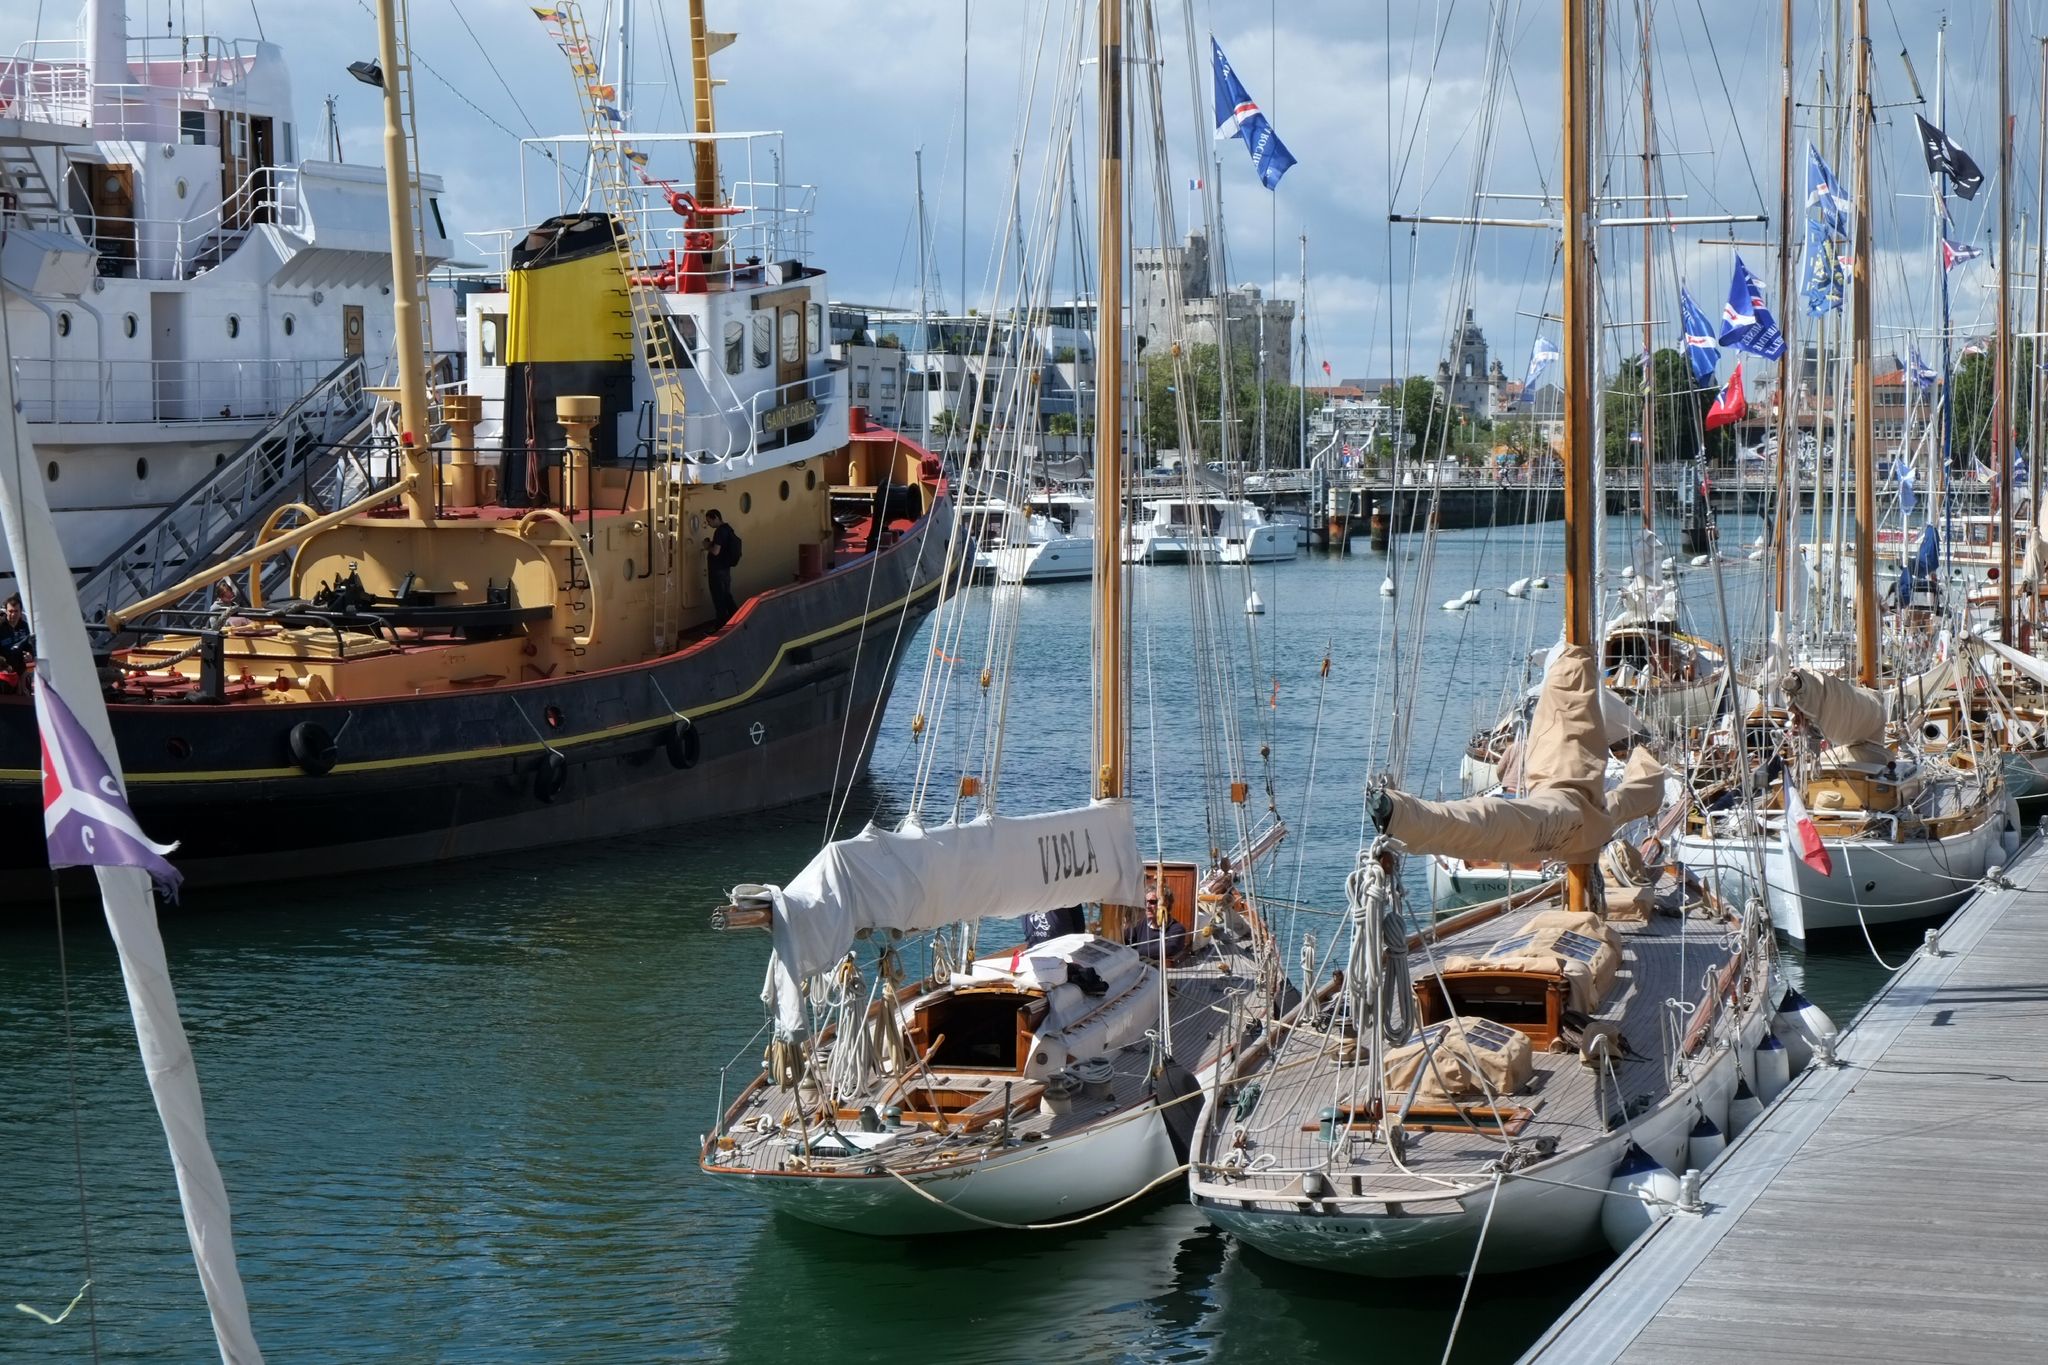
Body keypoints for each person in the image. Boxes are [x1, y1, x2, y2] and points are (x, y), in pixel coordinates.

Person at [703, 508, 742, 627]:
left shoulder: (720, 531)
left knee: (719, 598)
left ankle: (721, 625)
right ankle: (737, 619)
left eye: (709, 521)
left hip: (717, 572)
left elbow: (716, 551)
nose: (709, 524)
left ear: (715, 517)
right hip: (725, 570)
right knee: (726, 596)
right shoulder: (728, 529)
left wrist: (706, 546)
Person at [0, 592, 33, 681]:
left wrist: (30, 654)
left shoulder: (25, 627)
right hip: (5, 670)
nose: (13, 614)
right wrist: (5, 667)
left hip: (22, 670)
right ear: (6, 611)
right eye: (10, 611)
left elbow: (31, 647)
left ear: (21, 612)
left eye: (16, 611)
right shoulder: (1, 627)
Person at [1020, 904, 1086, 947]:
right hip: (1064, 953)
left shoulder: (1025, 900)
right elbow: (1079, 931)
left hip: (1034, 952)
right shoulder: (1070, 899)